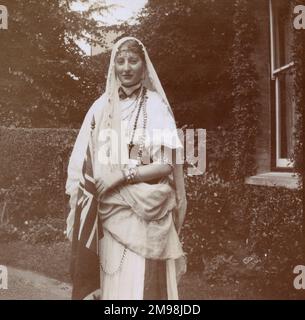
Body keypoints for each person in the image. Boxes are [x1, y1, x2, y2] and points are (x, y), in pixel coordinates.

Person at [65, 37, 187, 300]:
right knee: (111, 285)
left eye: (133, 60)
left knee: (138, 287)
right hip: (107, 211)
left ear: (144, 65)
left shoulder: (156, 106)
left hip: (145, 213)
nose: (126, 67)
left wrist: (122, 175)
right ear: (113, 66)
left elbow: (165, 165)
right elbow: (83, 161)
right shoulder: (101, 107)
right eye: (120, 61)